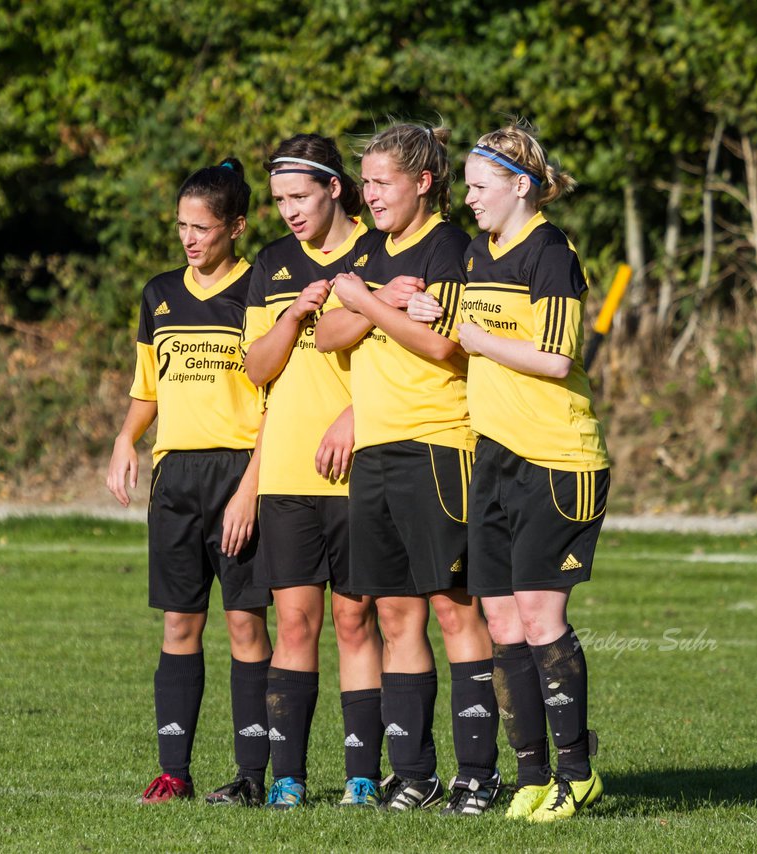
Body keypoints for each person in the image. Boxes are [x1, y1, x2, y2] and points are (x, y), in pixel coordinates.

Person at [410, 122, 610, 822]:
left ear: (520, 186)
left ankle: (578, 773)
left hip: (558, 459)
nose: (469, 199)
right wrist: (427, 310)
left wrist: (475, 336)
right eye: (465, 186)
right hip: (493, 456)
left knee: (538, 612)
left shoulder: (550, 251)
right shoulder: (473, 252)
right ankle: (530, 775)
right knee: (501, 619)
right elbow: (461, 342)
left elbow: (555, 358)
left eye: (479, 186)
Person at [316, 122, 501, 815]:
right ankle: (415, 776)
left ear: (423, 182)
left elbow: (451, 351)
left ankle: (478, 775)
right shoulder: (368, 250)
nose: (371, 195)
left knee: (456, 613)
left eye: (382, 182)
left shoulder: (452, 247)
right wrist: (372, 303)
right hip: (376, 454)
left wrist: (364, 301)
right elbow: (326, 334)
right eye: (365, 183)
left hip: (437, 445)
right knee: (395, 614)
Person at [106, 158, 273, 807]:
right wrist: (126, 437)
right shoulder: (158, 295)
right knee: (179, 624)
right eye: (182, 226)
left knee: (243, 625)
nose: (190, 238)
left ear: (236, 226)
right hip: (175, 478)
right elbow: (149, 387)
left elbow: (276, 394)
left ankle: (253, 776)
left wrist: (252, 488)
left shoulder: (258, 289)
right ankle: (173, 771)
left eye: (202, 226)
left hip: (237, 473)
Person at [240, 134, 385, 810]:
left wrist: (357, 414)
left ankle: (363, 773)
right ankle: (288, 776)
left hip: (364, 471)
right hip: (288, 477)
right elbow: (256, 368)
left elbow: (402, 359)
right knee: (295, 626)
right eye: (278, 201)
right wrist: (294, 315)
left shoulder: (377, 252)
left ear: (335, 188)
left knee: (357, 622)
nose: (289, 212)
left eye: (299, 197)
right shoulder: (271, 264)